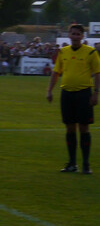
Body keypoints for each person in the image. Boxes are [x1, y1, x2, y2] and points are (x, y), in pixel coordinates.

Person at [46, 23, 100, 174]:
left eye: (78, 34)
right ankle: (72, 163)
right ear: (69, 35)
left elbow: (97, 73)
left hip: (84, 94)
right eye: (73, 34)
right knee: (70, 128)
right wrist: (49, 90)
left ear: (82, 37)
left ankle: (86, 164)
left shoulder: (90, 52)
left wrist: (96, 93)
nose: (75, 37)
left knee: (84, 128)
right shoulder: (63, 52)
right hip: (67, 94)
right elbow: (56, 72)